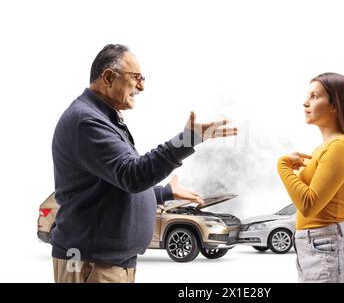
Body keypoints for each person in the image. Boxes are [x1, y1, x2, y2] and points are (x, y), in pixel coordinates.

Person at [51, 44, 237, 283]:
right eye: (136, 78)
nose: (142, 86)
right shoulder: (86, 122)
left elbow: (114, 184)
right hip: (90, 263)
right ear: (108, 77)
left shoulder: (102, 119)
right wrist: (186, 141)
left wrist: (164, 193)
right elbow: (132, 175)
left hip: (108, 263)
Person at [277, 72, 344, 283]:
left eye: (314, 96)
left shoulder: (340, 146)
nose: (305, 102)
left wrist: (283, 166)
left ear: (335, 106)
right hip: (321, 247)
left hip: (329, 246)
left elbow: (309, 204)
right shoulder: (325, 148)